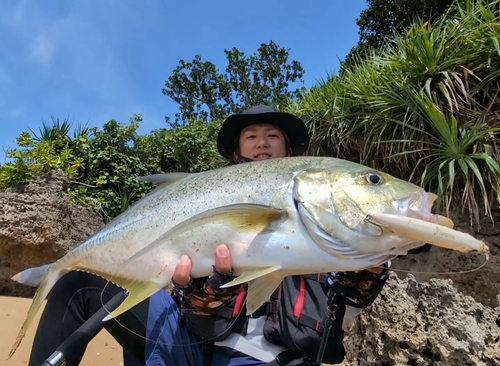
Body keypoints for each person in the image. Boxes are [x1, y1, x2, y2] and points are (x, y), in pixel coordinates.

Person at [28, 105, 389, 366]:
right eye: (252, 136)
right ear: (236, 154)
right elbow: (187, 291)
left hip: (277, 359)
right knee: (79, 282)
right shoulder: (208, 198)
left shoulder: (323, 215)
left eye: (272, 136)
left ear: (290, 152)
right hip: (195, 350)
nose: (262, 143)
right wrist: (200, 290)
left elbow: (347, 306)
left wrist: (365, 272)